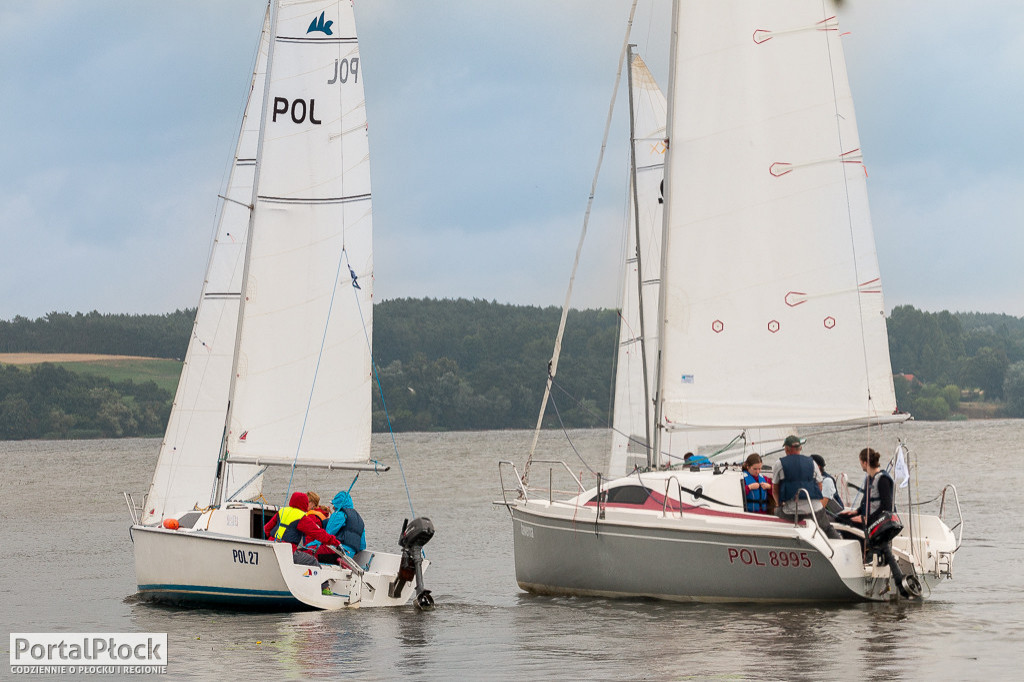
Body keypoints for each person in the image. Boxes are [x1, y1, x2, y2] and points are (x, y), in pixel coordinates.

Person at [838, 448, 914, 598]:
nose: (861, 465)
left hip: (881, 523)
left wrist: (867, 519)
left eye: (861, 462)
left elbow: (886, 505)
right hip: (870, 520)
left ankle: (864, 558)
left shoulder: (883, 479)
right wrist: (855, 513)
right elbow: (866, 503)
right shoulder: (868, 479)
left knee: (850, 529)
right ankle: (861, 557)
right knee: (841, 520)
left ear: (865, 463)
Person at [771, 435, 842, 539]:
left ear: (786, 449)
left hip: (793, 512)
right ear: (800, 448)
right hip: (815, 510)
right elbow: (819, 485)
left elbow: (775, 489)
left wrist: (778, 504)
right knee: (827, 528)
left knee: (776, 511)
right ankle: (838, 542)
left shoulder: (779, 464)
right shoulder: (812, 462)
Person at [263, 491, 340, 566]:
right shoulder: (302, 517)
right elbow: (319, 534)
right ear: (305, 503)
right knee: (312, 561)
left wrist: (273, 540)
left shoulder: (282, 511)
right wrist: (336, 542)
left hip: (272, 548)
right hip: (288, 551)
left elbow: (266, 528)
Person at [320, 490, 366, 563]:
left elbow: (327, 534)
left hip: (337, 552)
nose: (333, 508)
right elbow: (362, 546)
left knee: (309, 552)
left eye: (334, 505)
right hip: (349, 556)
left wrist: (312, 545)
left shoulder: (339, 514)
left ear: (338, 504)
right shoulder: (359, 519)